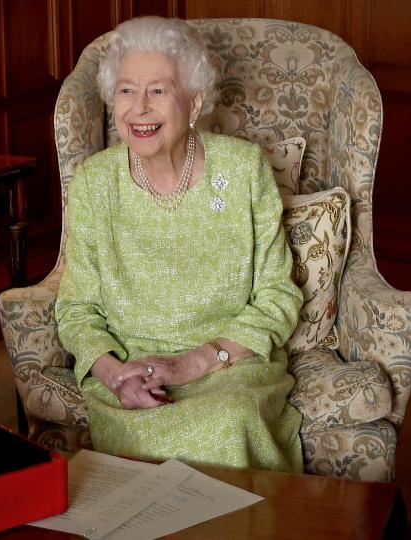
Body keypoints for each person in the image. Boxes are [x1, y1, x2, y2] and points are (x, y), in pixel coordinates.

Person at [54, 17, 304, 473]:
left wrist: (191, 365)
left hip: (229, 367)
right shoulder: (94, 183)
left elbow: (277, 296)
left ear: (194, 103)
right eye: (127, 91)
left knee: (228, 424)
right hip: (130, 376)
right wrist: (114, 376)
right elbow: (76, 310)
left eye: (159, 90)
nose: (139, 109)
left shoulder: (244, 169)